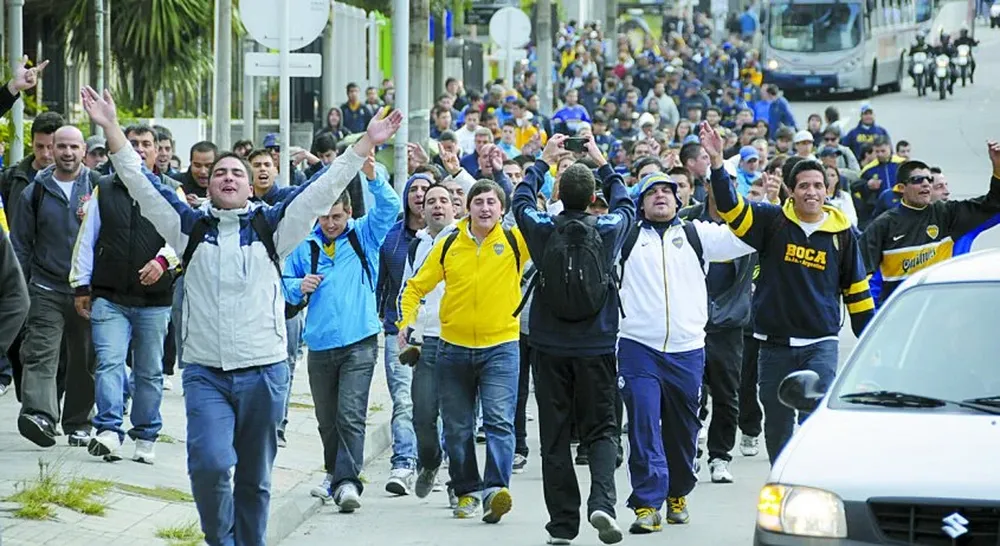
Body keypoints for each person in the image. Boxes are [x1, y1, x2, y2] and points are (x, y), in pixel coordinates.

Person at [81, 85, 402, 546]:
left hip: (264, 372)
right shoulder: (187, 226)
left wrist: (365, 143)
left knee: (255, 479)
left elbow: (323, 189)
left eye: (237, 173)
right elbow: (139, 181)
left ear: (251, 186)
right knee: (209, 465)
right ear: (207, 186)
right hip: (206, 374)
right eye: (219, 174)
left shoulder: (274, 227)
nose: (228, 178)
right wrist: (111, 127)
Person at [702, 123, 875, 465]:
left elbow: (856, 291)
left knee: (814, 422)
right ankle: (785, 486)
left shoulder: (842, 234)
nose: (811, 191)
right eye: (804, 186)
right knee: (779, 429)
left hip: (819, 344)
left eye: (818, 186)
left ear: (828, 191)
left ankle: (812, 479)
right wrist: (718, 162)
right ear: (791, 191)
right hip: (775, 346)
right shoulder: (772, 221)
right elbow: (731, 211)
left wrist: (871, 343)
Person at [512, 133, 635, 545]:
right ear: (593, 196)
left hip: (548, 345)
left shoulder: (543, 228)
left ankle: (562, 526)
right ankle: (602, 501)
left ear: (559, 194)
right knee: (602, 429)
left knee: (554, 437)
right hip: (598, 344)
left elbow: (520, 202)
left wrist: (543, 162)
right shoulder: (609, 227)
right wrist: (602, 159)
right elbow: (626, 204)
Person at [397, 180, 528, 523]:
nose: (485, 208)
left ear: (502, 210)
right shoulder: (450, 242)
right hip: (453, 349)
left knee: (499, 421)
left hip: (501, 347)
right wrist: (405, 323)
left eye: (492, 203)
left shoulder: (516, 241)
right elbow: (415, 287)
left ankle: (496, 490)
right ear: (467, 207)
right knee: (457, 427)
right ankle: (467, 491)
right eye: (479, 202)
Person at [285, 154, 400, 512]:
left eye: (337, 216)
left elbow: (390, 206)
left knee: (350, 412)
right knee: (326, 419)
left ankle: (348, 482)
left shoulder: (364, 235)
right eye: (325, 217)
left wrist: (374, 174)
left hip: (360, 342)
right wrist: (298, 285)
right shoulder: (306, 245)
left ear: (348, 213)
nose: (331, 223)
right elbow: (284, 283)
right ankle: (334, 473)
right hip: (319, 344)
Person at [69, 124, 180, 464]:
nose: (140, 149)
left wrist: (163, 261)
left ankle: (145, 435)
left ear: (157, 150)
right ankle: (108, 430)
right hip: (110, 296)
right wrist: (81, 286)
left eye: (147, 144)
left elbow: (183, 238)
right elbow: (87, 239)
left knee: (149, 371)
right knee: (109, 362)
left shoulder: (169, 190)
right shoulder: (104, 188)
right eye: (133, 143)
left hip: (154, 300)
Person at [860, 148, 1000, 308]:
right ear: (900, 188)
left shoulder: (948, 214)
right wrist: (873, 320)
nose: (926, 183)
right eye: (917, 179)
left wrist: (998, 169)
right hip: (900, 316)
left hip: (942, 311)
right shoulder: (882, 226)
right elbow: (861, 278)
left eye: (928, 179)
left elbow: (992, 206)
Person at [395, 183, 458, 503]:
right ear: (421, 210)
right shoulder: (415, 247)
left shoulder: (465, 240)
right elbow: (408, 291)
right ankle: (430, 462)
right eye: (430, 201)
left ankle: (459, 486)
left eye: (444, 201)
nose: (436, 206)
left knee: (457, 419)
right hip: (428, 342)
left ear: (455, 207)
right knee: (422, 414)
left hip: (460, 340)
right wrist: (405, 327)